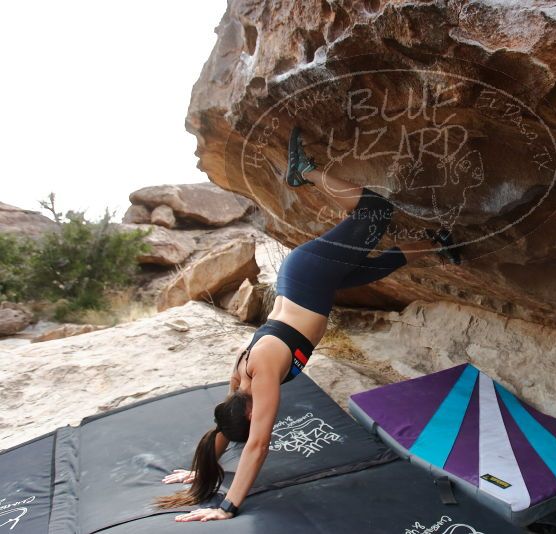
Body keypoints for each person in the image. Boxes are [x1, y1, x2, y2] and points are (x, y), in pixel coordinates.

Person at [155, 126, 463, 522]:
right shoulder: (237, 389)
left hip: (307, 277)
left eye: (253, 420)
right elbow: (224, 425)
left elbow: (257, 444)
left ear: (249, 413)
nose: (262, 419)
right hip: (308, 285)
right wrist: (203, 469)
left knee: (376, 213)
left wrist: (228, 506)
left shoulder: (260, 374)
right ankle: (437, 242)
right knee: (376, 267)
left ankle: (306, 171)